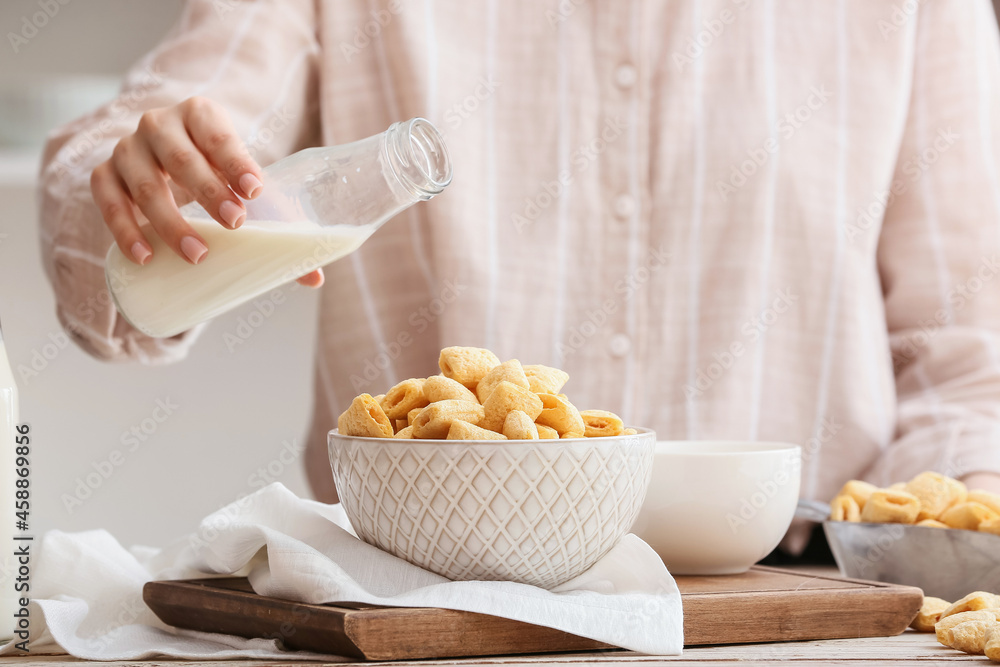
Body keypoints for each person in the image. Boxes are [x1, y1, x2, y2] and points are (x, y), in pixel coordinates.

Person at [39, 0, 1000, 554]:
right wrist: (139, 186)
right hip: (420, 612)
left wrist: (960, 527)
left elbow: (967, 356)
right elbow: (144, 179)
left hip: (795, 598)